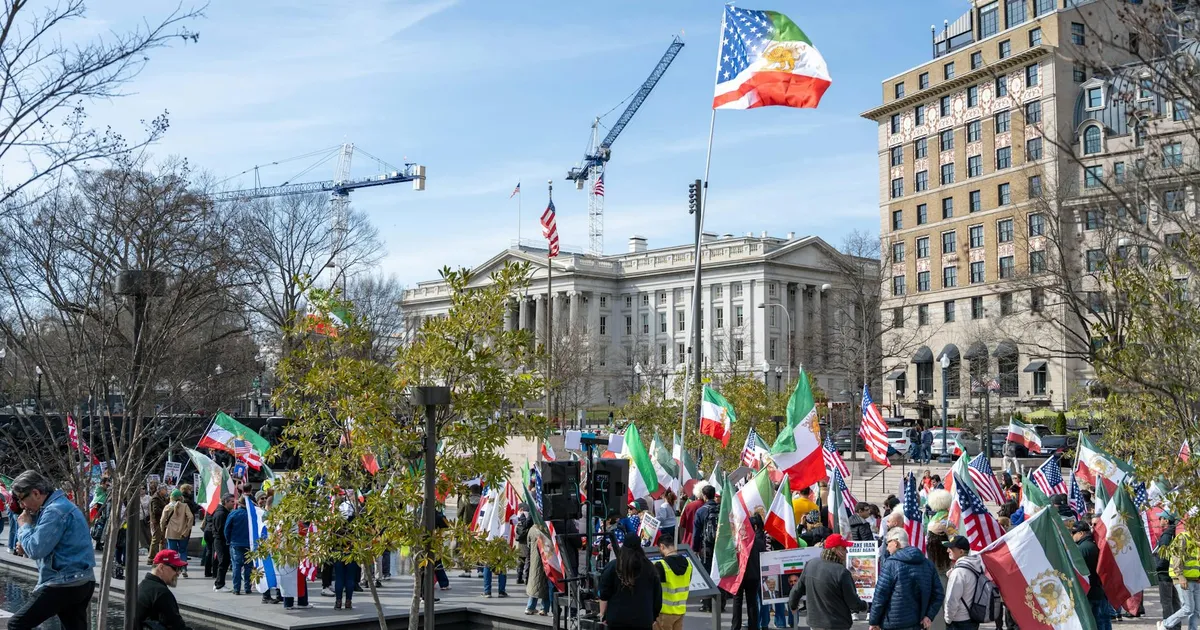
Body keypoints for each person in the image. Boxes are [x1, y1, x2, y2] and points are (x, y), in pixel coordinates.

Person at [7, 470, 97, 630]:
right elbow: (54, 545)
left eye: (22, 499)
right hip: (83, 581)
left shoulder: (54, 511)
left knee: (16, 624)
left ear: (35, 493)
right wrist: (27, 545)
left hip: (63, 583)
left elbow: (36, 550)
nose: (22, 506)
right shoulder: (61, 505)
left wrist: (24, 526)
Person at [869, 528, 944, 630]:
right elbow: (938, 594)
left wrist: (874, 621)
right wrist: (929, 616)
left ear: (895, 543)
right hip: (918, 623)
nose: (887, 548)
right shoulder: (927, 564)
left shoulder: (891, 564)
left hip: (893, 624)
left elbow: (880, 596)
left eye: (888, 543)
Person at [794, 533, 866, 630]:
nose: (847, 552)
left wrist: (793, 604)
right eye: (843, 549)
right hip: (836, 623)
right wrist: (864, 606)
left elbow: (797, 589)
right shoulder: (842, 572)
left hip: (815, 623)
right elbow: (852, 602)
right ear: (834, 550)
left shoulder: (811, 564)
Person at [598, 534, 662, 630]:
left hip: (617, 619)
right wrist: (654, 616)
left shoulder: (613, 566)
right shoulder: (650, 568)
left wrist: (602, 614)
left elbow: (604, 594)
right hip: (643, 619)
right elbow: (657, 596)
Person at [135, 549, 191, 630]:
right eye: (176, 568)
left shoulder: (142, 586)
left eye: (180, 568)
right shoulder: (162, 593)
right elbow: (177, 627)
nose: (178, 573)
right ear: (161, 567)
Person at [731, 514, 767, 630]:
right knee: (752, 602)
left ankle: (735, 627)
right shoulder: (759, 542)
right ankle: (753, 626)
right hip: (754, 575)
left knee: (737, 602)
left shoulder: (738, 542)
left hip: (739, 575)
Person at [1073, 520, 1111, 630]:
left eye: (1073, 532)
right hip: (1099, 589)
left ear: (1081, 533)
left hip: (1090, 591)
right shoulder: (1094, 545)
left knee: (1095, 622)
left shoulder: (1082, 549)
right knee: (1103, 620)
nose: (1072, 535)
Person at [1161, 525, 1200, 630]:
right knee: (1188, 608)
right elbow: (1176, 556)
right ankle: (1165, 624)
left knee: (1197, 611)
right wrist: (1180, 576)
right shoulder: (1183, 537)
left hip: (1196, 579)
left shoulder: (1197, 541)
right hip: (1183, 579)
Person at [692, 485, 723, 613]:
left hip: (706, 547)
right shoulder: (721, 508)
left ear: (704, 496)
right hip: (720, 546)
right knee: (719, 573)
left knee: (706, 574)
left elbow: (696, 531)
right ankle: (721, 603)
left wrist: (695, 548)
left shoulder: (701, 511)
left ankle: (706, 604)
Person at [942, 535, 983, 630]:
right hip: (973, 617)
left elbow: (952, 600)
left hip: (959, 621)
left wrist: (947, 619)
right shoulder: (976, 566)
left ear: (961, 552)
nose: (948, 550)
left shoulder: (958, 572)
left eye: (951, 548)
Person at [654, 538, 690, 630]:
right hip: (680, 611)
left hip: (664, 613)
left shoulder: (661, 565)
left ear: (662, 546)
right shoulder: (688, 564)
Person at [160, 489, 193, 579]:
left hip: (171, 532)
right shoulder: (185, 506)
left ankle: (173, 570)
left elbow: (162, 520)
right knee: (183, 551)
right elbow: (191, 517)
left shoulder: (167, 507)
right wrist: (187, 528)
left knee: (172, 552)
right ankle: (184, 569)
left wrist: (162, 529)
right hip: (183, 532)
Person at [223, 497, 252, 596]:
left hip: (236, 543)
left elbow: (227, 529)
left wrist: (228, 540)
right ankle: (248, 587)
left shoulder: (233, 513)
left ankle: (236, 588)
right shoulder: (252, 514)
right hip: (249, 544)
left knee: (236, 566)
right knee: (248, 567)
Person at [1157, 516, 1182, 622]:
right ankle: (1176, 625)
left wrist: (1158, 568)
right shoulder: (1175, 533)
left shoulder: (1167, 535)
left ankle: (1168, 624)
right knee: (1175, 602)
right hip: (1173, 573)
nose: (1159, 521)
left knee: (1167, 602)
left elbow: (1164, 555)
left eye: (1161, 518)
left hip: (1165, 573)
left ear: (1166, 520)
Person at [525, 522, 553, 615]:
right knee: (546, 584)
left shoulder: (532, 529)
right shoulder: (547, 529)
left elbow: (528, 544)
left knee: (535, 583)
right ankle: (544, 609)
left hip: (534, 561)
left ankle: (530, 607)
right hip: (547, 560)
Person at [211, 494, 235, 592]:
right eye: (231, 502)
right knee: (223, 562)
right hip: (221, 541)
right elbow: (221, 530)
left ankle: (219, 583)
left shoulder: (223, 512)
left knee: (223, 562)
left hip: (220, 541)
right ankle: (219, 585)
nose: (234, 504)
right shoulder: (221, 514)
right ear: (226, 502)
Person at [679, 482, 707, 548]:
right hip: (704, 541)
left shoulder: (689, 505)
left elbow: (682, 523)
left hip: (689, 539)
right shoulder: (708, 506)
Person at [149, 483, 169, 558]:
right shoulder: (155, 498)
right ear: (161, 490)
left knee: (162, 540)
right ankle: (151, 557)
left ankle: (161, 556)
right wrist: (165, 511)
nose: (166, 491)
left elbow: (164, 504)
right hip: (157, 521)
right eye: (165, 489)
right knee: (156, 539)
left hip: (161, 521)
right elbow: (156, 510)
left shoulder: (162, 497)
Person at [515, 508, 532, 584]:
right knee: (528, 559)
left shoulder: (518, 514)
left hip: (520, 539)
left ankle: (519, 577)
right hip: (526, 539)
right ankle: (527, 578)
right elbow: (527, 524)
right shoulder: (528, 514)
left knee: (521, 559)